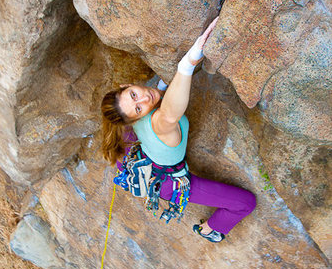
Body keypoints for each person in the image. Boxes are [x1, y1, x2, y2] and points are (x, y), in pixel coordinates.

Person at [101, 18, 256, 242]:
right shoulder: (161, 123)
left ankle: (123, 161)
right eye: (138, 107)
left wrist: (161, 89)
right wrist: (188, 63)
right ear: (137, 117)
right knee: (245, 203)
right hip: (166, 183)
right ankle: (211, 230)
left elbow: (148, 103)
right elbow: (169, 114)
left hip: (140, 156)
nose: (144, 98)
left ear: (126, 85)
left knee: (127, 118)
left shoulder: (131, 119)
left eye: (134, 94)